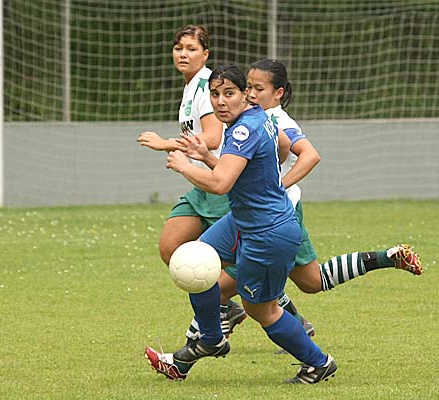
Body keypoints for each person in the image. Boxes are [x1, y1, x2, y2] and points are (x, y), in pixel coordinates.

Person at [178, 59, 423, 353]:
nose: (252, 94)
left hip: (277, 214)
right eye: (250, 87)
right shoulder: (253, 116)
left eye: (258, 88)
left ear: (278, 92)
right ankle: (383, 259)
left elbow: (309, 155)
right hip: (265, 213)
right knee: (308, 281)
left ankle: (204, 342)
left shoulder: (275, 120)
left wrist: (277, 185)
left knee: (245, 285)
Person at [145, 64, 337, 384]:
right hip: (243, 220)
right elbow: (258, 160)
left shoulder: (243, 130)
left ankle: (319, 363)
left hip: (268, 231)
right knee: (197, 256)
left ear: (245, 94)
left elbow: (221, 184)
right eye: (215, 94)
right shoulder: (256, 118)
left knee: (261, 310)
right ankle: (211, 339)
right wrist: (206, 157)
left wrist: (183, 166)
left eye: (229, 93)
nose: (220, 101)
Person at [137, 25, 247, 335]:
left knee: (242, 263)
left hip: (220, 182)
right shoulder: (191, 87)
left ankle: (286, 312)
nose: (183, 54)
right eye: (179, 48)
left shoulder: (207, 86)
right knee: (171, 247)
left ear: (205, 54)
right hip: (201, 183)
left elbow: (212, 138)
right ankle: (229, 307)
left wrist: (166, 144)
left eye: (191, 48)